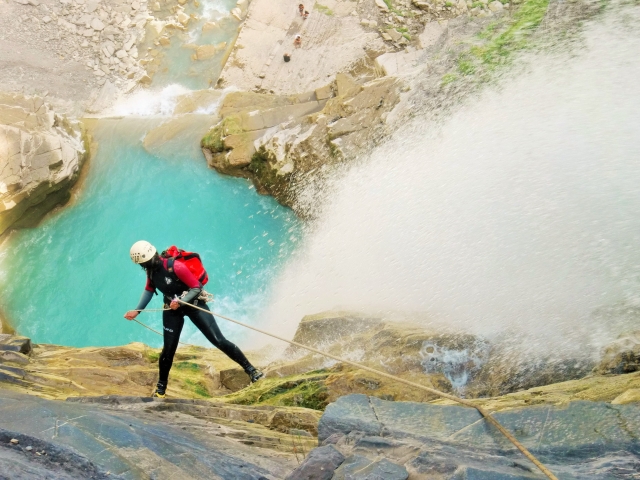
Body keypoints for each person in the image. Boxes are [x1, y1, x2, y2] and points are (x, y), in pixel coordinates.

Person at [124, 240, 264, 398]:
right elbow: (149, 290)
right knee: (168, 351)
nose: (144, 266)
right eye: (142, 264)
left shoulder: (176, 267)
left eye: (145, 263)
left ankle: (251, 370)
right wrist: (137, 311)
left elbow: (196, 287)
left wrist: (181, 301)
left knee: (218, 340)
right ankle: (161, 389)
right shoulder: (150, 271)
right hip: (171, 309)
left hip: (193, 304)